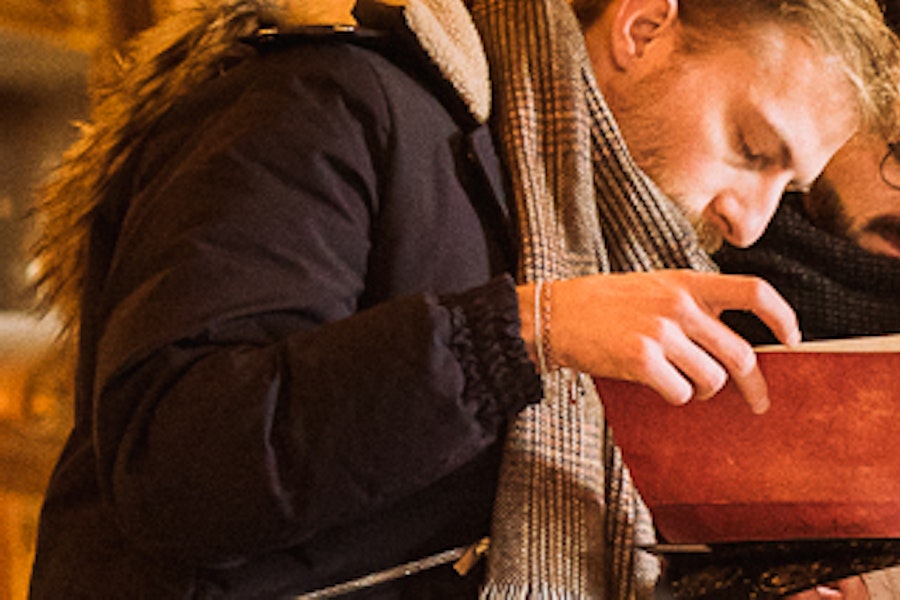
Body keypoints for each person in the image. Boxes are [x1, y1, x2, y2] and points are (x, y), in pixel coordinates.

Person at [26, 0, 899, 598]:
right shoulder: (325, 100)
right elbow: (177, 463)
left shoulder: (599, 234)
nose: (750, 223)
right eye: (751, 148)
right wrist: (523, 331)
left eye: (787, 189)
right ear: (642, 28)